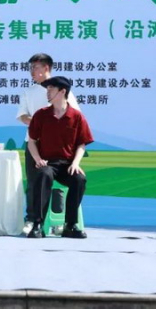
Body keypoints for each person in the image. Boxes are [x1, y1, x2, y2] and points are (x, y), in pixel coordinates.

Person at [16, 53, 81, 235]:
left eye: (35, 67)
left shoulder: (62, 90)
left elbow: (74, 115)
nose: (32, 71)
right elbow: (22, 116)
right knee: (34, 181)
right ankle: (32, 220)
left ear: (46, 68)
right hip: (34, 143)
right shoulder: (28, 92)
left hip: (59, 145)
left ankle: (60, 221)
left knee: (61, 181)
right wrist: (40, 124)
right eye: (30, 68)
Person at [26, 76, 92, 239]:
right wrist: (38, 159)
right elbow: (32, 141)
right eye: (47, 89)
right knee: (43, 174)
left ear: (62, 92)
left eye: (51, 89)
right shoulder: (41, 114)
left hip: (67, 164)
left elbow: (81, 144)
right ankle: (38, 224)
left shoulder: (76, 116)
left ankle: (70, 225)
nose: (47, 92)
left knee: (79, 179)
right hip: (47, 163)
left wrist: (76, 163)